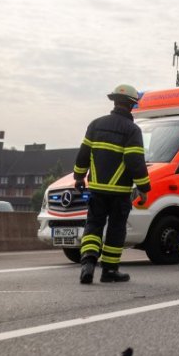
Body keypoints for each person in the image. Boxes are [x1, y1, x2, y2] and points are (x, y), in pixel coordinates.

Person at [74, 84, 151, 284]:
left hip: (97, 188)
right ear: (132, 106)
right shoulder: (132, 130)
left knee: (93, 225)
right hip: (120, 192)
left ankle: (88, 264)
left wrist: (79, 177)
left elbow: (83, 154)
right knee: (116, 229)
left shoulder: (95, 124)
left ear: (114, 101)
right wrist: (144, 188)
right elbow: (135, 161)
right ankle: (109, 271)